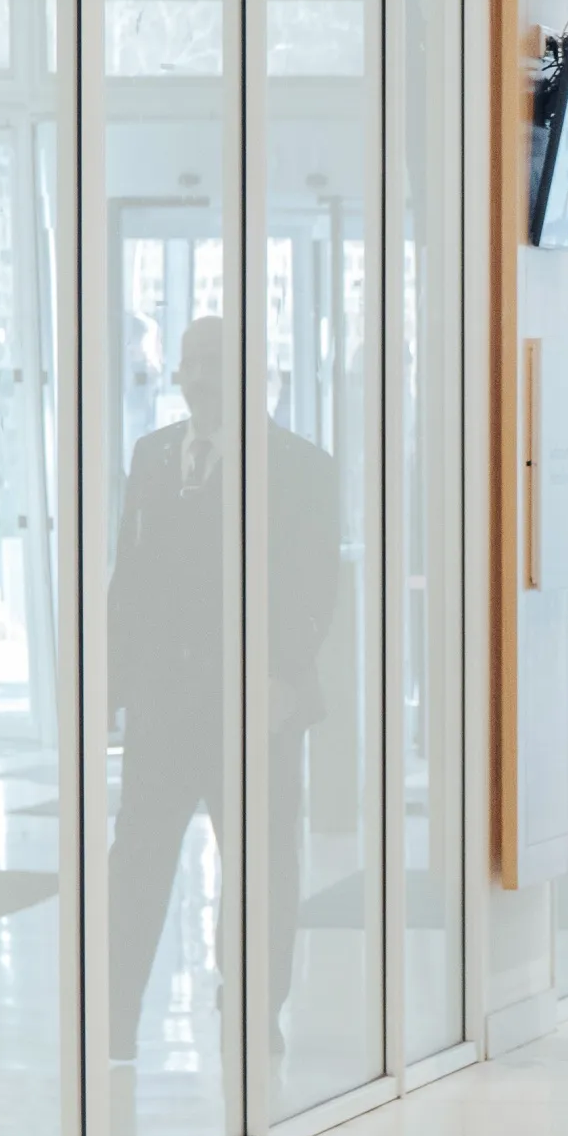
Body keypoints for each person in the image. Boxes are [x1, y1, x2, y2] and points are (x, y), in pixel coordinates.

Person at [108, 314, 341, 1061]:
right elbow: (128, 580)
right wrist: (112, 688)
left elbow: (314, 585)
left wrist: (279, 680)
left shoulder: (301, 466)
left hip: (253, 712)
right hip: (161, 712)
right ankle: (112, 1020)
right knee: (135, 865)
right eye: (189, 362)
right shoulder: (151, 456)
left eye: (213, 362)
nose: (197, 377)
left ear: (250, 373)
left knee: (259, 870)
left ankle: (250, 1013)